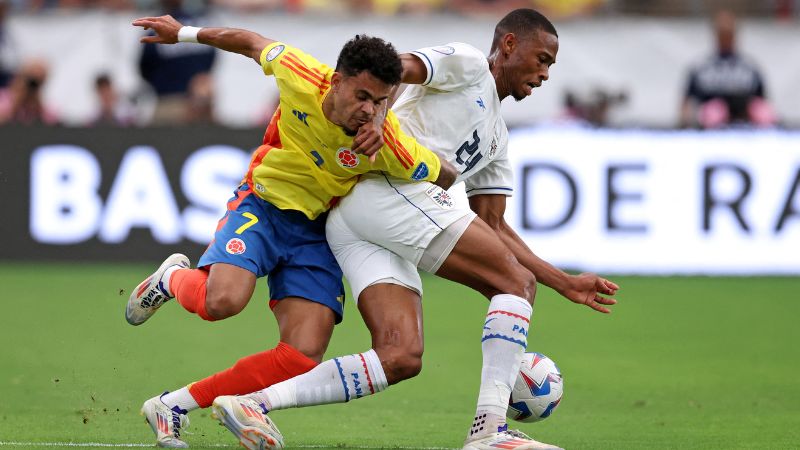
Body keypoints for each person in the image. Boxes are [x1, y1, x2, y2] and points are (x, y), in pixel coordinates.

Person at [212, 9, 618, 450]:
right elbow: (397, 66)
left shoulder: (497, 140)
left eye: (551, 67)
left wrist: (563, 282)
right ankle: (489, 432)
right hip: (391, 188)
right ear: (508, 46)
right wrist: (380, 118)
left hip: (358, 219)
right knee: (514, 284)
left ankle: (251, 403)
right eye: (541, 59)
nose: (544, 74)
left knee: (401, 356)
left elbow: (494, 225)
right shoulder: (466, 63)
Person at [127, 14, 458, 448]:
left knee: (302, 356)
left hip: (317, 233)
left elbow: (446, 175)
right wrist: (184, 33)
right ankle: (172, 278)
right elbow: (248, 40)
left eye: (379, 101)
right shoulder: (301, 72)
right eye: (362, 97)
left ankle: (172, 406)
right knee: (222, 300)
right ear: (336, 82)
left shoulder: (385, 142)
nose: (368, 110)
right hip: (263, 205)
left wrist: (396, 135)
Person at [680, 9, 776, 129]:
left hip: (746, 119)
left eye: (729, 33)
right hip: (713, 119)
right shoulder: (701, 68)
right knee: (713, 113)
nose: (726, 38)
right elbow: (686, 102)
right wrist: (686, 124)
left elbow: (763, 101)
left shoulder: (749, 68)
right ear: (715, 34)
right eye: (722, 33)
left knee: (763, 114)